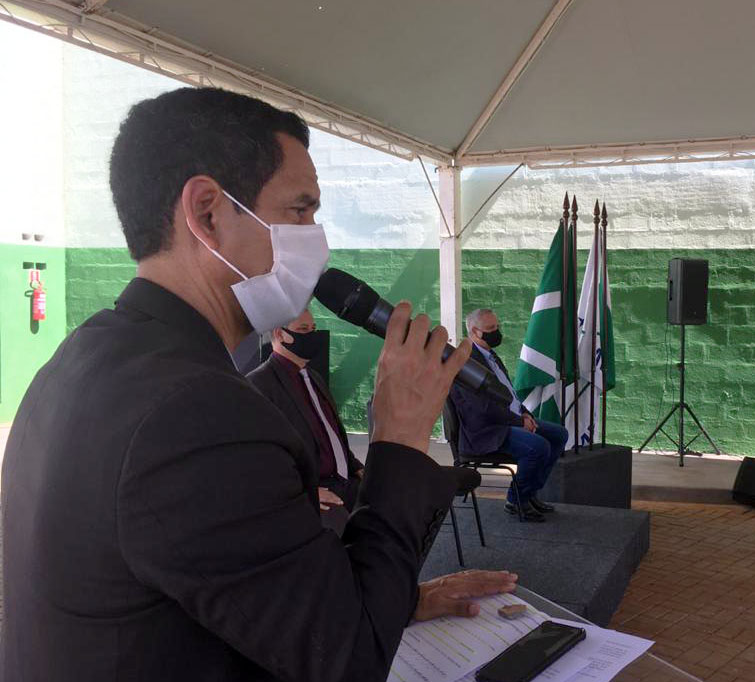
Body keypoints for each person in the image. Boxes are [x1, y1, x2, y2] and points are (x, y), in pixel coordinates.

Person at [1, 87, 517, 682]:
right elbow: (346, 660)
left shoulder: (81, 358)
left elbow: (227, 592)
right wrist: (399, 439)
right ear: (207, 214)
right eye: (300, 212)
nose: (317, 239)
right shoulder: (196, 414)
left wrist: (399, 597)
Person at [449, 308, 569, 522]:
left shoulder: (489, 355)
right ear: (475, 332)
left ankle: (529, 492)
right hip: (486, 431)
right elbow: (482, 408)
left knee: (558, 435)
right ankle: (516, 500)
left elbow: (509, 393)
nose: (496, 332)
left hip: (509, 420)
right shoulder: (465, 362)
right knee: (538, 447)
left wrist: (525, 414)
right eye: (490, 329)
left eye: (497, 327)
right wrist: (518, 421)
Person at [248, 309, 363, 527]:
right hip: (313, 492)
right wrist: (307, 492)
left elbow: (330, 433)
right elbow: (259, 457)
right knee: (350, 543)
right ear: (280, 334)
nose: (311, 336)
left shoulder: (314, 378)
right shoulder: (259, 385)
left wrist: (355, 466)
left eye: (313, 329)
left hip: (346, 481)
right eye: (303, 330)